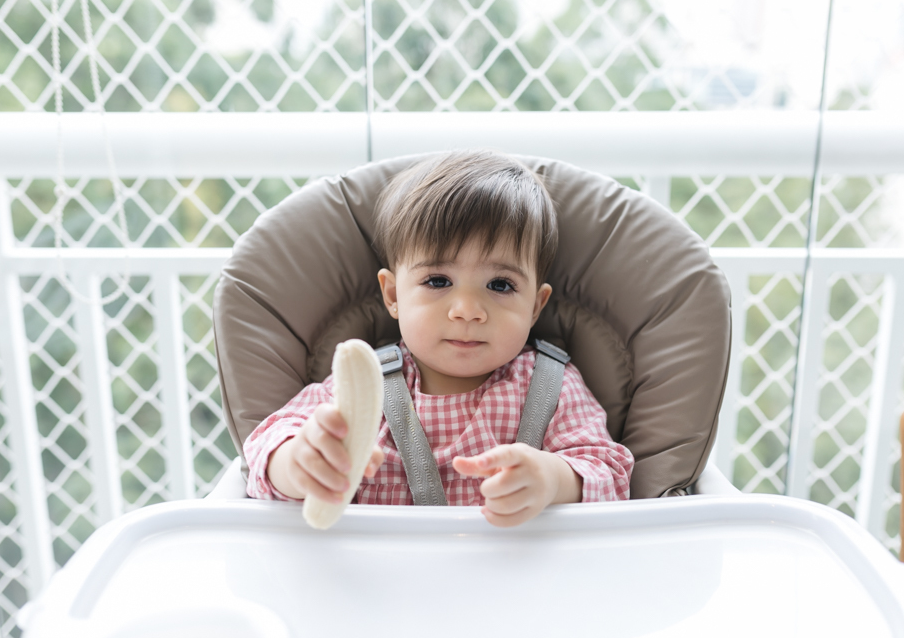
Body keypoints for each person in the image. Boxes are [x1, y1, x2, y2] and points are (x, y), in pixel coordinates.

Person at [244, 150, 634, 527]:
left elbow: (611, 475)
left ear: (536, 306)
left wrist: (554, 480)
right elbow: (266, 445)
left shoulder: (552, 387)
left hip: (516, 582)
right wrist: (299, 462)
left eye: (500, 284)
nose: (467, 309)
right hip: (382, 580)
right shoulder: (367, 382)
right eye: (437, 281)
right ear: (394, 295)